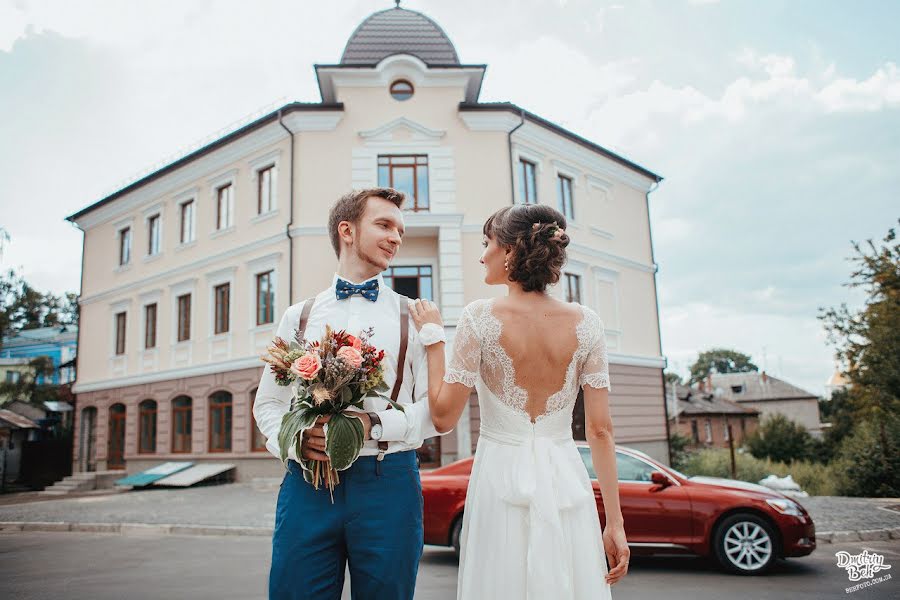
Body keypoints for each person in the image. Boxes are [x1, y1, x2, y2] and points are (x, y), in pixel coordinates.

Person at [409, 203, 630, 599]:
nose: (482, 254)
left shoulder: (477, 318)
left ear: (510, 251)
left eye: (487, 243)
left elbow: (442, 417)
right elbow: (600, 430)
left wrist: (433, 337)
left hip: (500, 481)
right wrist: (615, 524)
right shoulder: (589, 323)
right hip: (567, 483)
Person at [253, 188, 444, 600]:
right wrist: (296, 439)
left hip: (387, 481)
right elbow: (268, 404)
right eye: (384, 225)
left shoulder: (412, 316)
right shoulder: (299, 315)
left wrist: (372, 424)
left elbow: (435, 411)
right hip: (307, 483)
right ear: (347, 231)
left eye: (400, 229)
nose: (396, 237)